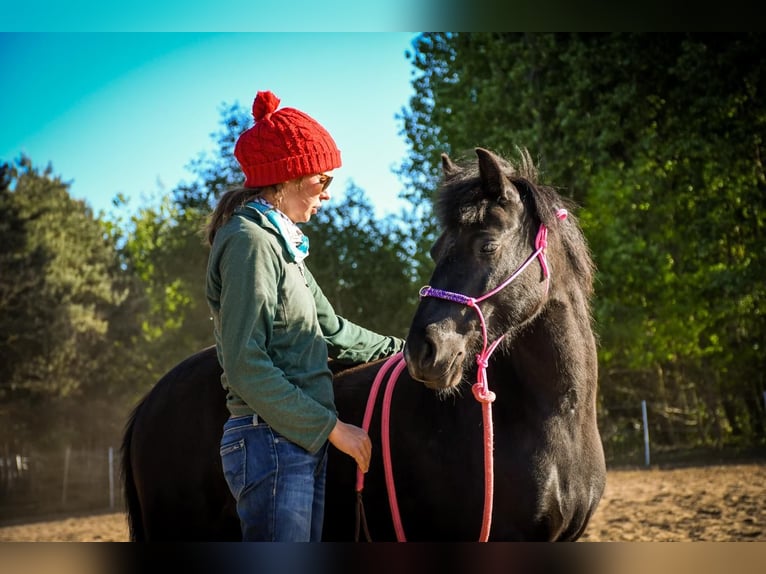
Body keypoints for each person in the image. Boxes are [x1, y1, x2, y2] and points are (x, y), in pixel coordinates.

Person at [204, 90, 404, 542]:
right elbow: (243, 363)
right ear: (288, 176)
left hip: (293, 441)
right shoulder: (249, 243)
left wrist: (407, 352)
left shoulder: (284, 245)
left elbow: (332, 331)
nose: (328, 195)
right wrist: (332, 429)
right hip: (269, 443)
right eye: (322, 181)